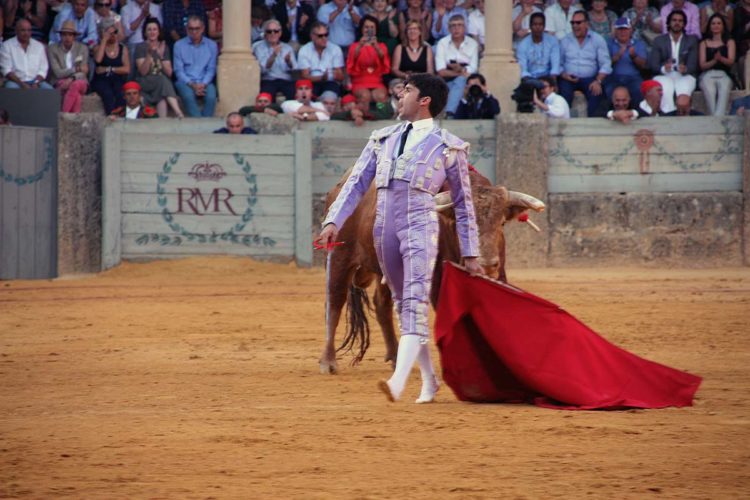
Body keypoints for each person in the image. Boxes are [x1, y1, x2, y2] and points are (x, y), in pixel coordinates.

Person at [315, 72, 483, 404]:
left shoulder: (449, 147)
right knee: (402, 304)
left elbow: (464, 206)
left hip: (420, 225)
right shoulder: (381, 138)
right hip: (381, 229)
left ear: (424, 101)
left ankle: (398, 380)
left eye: (407, 90)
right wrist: (333, 219)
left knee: (416, 304)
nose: (399, 94)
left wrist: (471, 251)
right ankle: (430, 380)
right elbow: (356, 185)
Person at [558, 11, 612, 117]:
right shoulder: (565, 40)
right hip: (568, 78)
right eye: (572, 23)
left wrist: (598, 81)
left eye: (578, 23)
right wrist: (564, 75)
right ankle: (565, 126)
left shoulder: (597, 39)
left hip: (590, 78)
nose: (575, 26)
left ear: (587, 24)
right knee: (563, 95)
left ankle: (592, 126)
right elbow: (558, 63)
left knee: (596, 92)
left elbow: (606, 64)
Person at [648, 9, 699, 114]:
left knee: (683, 94)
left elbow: (693, 65)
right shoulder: (659, 40)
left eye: (680, 21)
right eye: (674, 20)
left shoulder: (691, 40)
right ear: (669, 22)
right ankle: (669, 118)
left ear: (684, 24)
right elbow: (653, 65)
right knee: (666, 89)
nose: (677, 23)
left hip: (685, 75)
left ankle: (683, 120)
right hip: (664, 75)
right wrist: (664, 68)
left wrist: (686, 69)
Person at [134, 17, 184, 118]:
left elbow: (169, 73)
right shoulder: (140, 47)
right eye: (149, 29)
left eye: (154, 29)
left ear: (158, 32)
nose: (152, 32)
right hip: (145, 82)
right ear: (145, 33)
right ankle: (178, 112)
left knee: (162, 99)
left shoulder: (164, 47)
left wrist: (161, 57)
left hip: (160, 86)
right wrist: (149, 54)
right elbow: (143, 72)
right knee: (162, 79)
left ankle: (162, 124)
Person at [435, 14, 478, 117]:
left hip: (466, 79)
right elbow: (440, 70)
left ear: (465, 28)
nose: (456, 28)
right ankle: (451, 113)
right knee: (458, 82)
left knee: (461, 81)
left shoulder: (473, 44)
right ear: (449, 29)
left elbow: (473, 68)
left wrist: (461, 70)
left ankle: (449, 113)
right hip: (446, 79)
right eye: (453, 26)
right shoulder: (442, 43)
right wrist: (459, 72)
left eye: (459, 25)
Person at [173, 15, 218, 117]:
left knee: (211, 97)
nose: (194, 32)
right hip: (185, 81)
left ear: (202, 28)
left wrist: (203, 84)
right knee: (188, 96)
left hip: (205, 81)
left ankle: (204, 124)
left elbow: (211, 69)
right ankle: (200, 123)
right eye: (191, 29)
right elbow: (178, 71)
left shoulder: (211, 45)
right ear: (187, 29)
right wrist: (192, 84)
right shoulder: (179, 45)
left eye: (197, 28)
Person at [346, 15, 391, 105]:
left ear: (376, 29)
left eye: (372, 27)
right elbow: (350, 64)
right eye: (366, 27)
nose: (369, 29)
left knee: (380, 96)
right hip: (359, 81)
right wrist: (360, 45)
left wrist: (376, 47)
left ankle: (381, 113)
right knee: (365, 96)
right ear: (362, 29)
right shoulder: (354, 46)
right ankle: (365, 115)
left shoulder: (381, 46)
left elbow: (385, 64)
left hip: (376, 81)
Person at [47, 20, 89, 113]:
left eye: (70, 35)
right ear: (60, 36)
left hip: (79, 81)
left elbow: (84, 71)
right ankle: (74, 118)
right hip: (60, 81)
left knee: (75, 84)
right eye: (64, 35)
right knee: (76, 95)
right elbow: (57, 73)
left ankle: (64, 114)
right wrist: (76, 69)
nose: (67, 38)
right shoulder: (52, 49)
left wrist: (72, 78)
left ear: (74, 36)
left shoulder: (82, 48)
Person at [698, 13, 735, 116]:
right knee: (710, 92)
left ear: (723, 26)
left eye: (719, 23)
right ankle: (716, 119)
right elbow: (702, 65)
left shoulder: (729, 42)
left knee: (724, 91)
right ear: (709, 26)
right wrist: (714, 61)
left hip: (724, 74)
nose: (716, 26)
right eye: (713, 23)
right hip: (707, 74)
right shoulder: (703, 43)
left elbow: (731, 62)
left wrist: (721, 59)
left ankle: (716, 118)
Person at [91, 18, 129, 115]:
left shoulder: (122, 48)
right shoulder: (97, 47)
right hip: (101, 79)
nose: (113, 35)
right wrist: (104, 40)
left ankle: (120, 117)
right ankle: (111, 116)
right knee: (107, 94)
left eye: (115, 32)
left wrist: (108, 69)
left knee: (120, 93)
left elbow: (127, 69)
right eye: (109, 33)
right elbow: (98, 60)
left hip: (116, 78)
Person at [253, 18, 297, 101]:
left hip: (285, 79)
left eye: (275, 31)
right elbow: (263, 70)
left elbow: (295, 69)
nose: (273, 34)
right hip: (268, 79)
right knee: (266, 94)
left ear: (280, 33)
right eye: (269, 31)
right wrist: (273, 56)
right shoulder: (259, 47)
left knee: (294, 93)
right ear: (265, 34)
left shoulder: (287, 48)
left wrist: (289, 62)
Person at [297, 21, 345, 97]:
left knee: (329, 95)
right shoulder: (304, 50)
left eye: (326, 35)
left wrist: (337, 75)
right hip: (312, 82)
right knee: (307, 92)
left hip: (331, 82)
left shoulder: (335, 49)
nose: (324, 38)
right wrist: (321, 78)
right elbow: (304, 76)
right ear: (312, 36)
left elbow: (340, 77)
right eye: (320, 36)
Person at [0, 19, 52, 89]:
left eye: (29, 30)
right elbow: (6, 70)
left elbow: (43, 69)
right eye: (23, 30)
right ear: (16, 31)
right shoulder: (6, 46)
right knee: (11, 88)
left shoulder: (39, 46)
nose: (26, 33)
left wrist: (36, 82)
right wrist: (21, 84)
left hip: (35, 82)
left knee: (49, 90)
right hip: (15, 82)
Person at [606, 16, 647, 104]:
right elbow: (605, 64)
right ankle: (612, 114)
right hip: (614, 77)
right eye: (620, 29)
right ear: (615, 31)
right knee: (608, 89)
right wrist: (617, 55)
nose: (622, 32)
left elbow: (643, 65)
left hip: (633, 77)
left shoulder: (638, 44)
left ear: (631, 31)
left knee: (638, 89)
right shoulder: (609, 43)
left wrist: (634, 56)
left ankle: (637, 114)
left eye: (625, 29)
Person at [516, 12, 561, 80]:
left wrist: (552, 80)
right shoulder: (523, 45)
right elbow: (523, 70)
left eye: (540, 24)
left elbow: (555, 65)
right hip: (531, 78)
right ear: (530, 26)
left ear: (544, 26)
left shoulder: (552, 41)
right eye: (535, 24)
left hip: (548, 77)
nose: (538, 27)